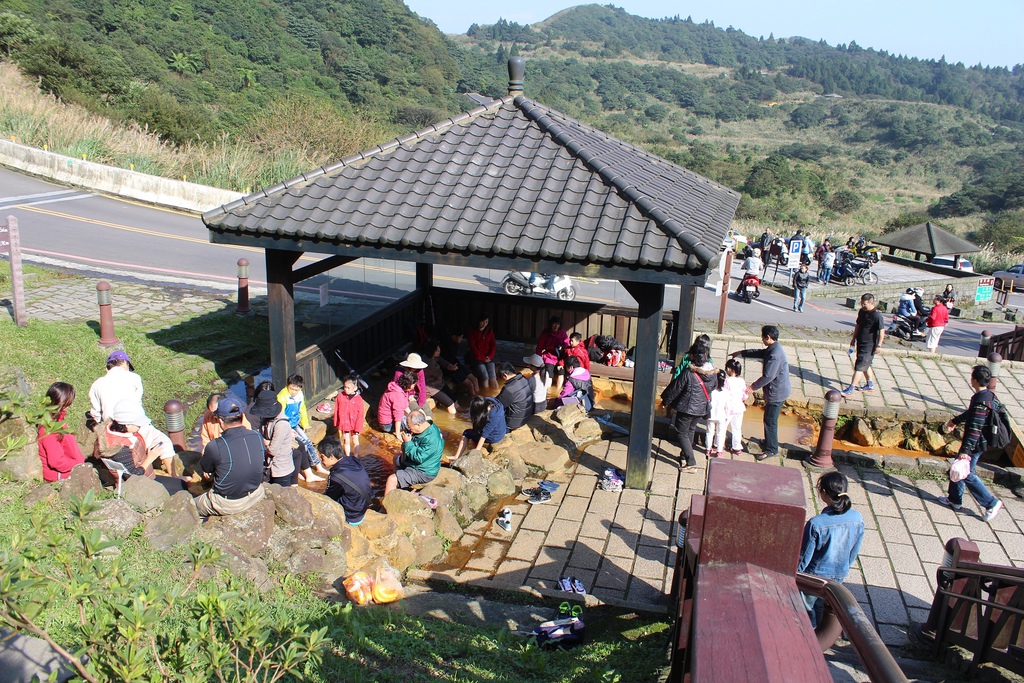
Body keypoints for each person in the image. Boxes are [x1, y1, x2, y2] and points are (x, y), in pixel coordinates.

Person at [88, 350, 176, 473]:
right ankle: (174, 475)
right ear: (124, 362)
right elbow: (137, 405)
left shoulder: (97, 384)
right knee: (164, 442)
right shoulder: (134, 378)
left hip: (111, 428)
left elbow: (96, 414)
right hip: (132, 425)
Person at [938, 365, 1003, 522]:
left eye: (972, 376)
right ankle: (954, 499)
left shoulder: (981, 402)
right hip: (979, 442)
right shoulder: (987, 396)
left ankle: (991, 503)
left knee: (966, 472)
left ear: (975, 380)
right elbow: (971, 413)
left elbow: (975, 428)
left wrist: (965, 450)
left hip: (975, 444)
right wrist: (956, 420)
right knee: (958, 468)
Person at [798, 471, 864, 627]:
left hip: (815, 575)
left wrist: (796, 575)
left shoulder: (816, 523)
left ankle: (810, 632)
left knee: (806, 609)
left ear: (824, 493)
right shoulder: (857, 518)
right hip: (840, 573)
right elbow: (854, 550)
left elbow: (804, 557)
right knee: (825, 604)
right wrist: (845, 567)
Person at [194, 396, 267, 516]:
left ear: (220, 421)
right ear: (242, 416)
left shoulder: (214, 446)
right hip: (256, 493)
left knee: (191, 505)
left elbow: (207, 468)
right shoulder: (257, 436)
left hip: (229, 503)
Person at [730, 325, 791, 462]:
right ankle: (769, 441)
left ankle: (771, 449)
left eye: (763, 337)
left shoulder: (775, 355)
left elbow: (768, 376)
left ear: (768, 337)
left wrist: (753, 387)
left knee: (770, 421)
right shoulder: (774, 348)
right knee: (769, 419)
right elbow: (760, 353)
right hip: (778, 390)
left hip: (777, 393)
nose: (761, 339)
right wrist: (741, 353)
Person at [661, 344, 718, 473]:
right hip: (701, 408)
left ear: (693, 357)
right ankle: (684, 455)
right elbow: (713, 387)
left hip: (687, 408)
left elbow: (676, 388)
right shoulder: (713, 374)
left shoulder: (689, 373)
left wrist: (666, 400)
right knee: (691, 430)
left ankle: (691, 462)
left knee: (681, 433)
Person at [276, 375, 329, 476]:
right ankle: (304, 469)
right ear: (287, 385)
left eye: (296, 390)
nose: (293, 392)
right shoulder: (282, 396)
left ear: (300, 388)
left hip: (295, 424)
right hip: (286, 426)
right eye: (291, 389)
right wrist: (287, 429)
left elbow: (302, 409)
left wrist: (305, 424)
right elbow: (280, 415)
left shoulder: (299, 395)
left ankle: (317, 465)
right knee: (302, 444)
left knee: (308, 442)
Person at [249, 387, 302, 486]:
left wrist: (264, 441)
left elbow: (272, 450)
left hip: (281, 471)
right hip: (269, 467)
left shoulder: (281, 424)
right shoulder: (266, 420)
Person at [384, 410, 444, 495]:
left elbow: (418, 457)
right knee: (396, 458)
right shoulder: (426, 426)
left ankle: (388, 502)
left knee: (391, 480)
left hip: (423, 471)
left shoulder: (431, 439)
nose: (408, 428)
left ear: (418, 425)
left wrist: (408, 443)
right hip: (418, 463)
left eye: (409, 426)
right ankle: (400, 484)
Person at [36, 382, 85, 482]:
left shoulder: (59, 421)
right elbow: (56, 461)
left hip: (70, 469)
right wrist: (76, 464)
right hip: (60, 475)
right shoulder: (49, 428)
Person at [320, 435, 372, 526]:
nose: (321, 460)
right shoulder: (353, 460)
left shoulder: (336, 476)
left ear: (331, 456)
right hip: (363, 508)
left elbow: (329, 498)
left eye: (322, 457)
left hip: (352, 517)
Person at [842, 293, 885, 396]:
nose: (862, 306)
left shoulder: (877, 315)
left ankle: (851, 388)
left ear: (871, 303)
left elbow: (882, 331)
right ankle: (870, 385)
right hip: (860, 342)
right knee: (865, 364)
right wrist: (853, 339)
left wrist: (879, 345)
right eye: (861, 303)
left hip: (869, 345)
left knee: (859, 367)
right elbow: (858, 325)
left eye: (864, 304)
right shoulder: (862, 311)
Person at [706, 359, 747, 458]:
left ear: (729, 369)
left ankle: (717, 445)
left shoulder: (727, 381)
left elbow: (724, 393)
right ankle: (737, 447)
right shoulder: (741, 381)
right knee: (737, 428)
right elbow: (744, 395)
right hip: (739, 407)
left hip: (729, 408)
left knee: (722, 428)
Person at [420, 342, 459, 415]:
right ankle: (454, 418)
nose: (439, 351)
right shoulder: (427, 361)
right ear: (432, 351)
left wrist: (451, 367)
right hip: (432, 388)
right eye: (437, 350)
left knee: (454, 400)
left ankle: (461, 412)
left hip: (440, 383)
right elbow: (438, 374)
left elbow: (443, 362)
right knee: (450, 404)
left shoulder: (435, 357)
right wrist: (439, 369)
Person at [439, 329, 480, 397]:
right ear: (454, 336)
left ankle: (479, 397)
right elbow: (443, 361)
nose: (461, 339)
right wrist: (450, 367)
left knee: (475, 380)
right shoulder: (444, 345)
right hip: (450, 368)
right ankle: (475, 399)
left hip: (456, 363)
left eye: (462, 337)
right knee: (470, 384)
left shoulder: (456, 344)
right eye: (460, 337)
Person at [333, 375, 366, 456]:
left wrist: (358, 428)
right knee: (346, 440)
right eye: (345, 387)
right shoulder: (340, 396)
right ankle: (347, 456)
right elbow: (336, 410)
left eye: (348, 388)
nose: (346, 389)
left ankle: (356, 457)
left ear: (355, 388)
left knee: (355, 441)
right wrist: (336, 422)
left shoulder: (359, 399)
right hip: (345, 423)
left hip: (355, 424)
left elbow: (360, 415)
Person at [496, 361, 533, 430]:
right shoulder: (523, 379)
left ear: (505, 375)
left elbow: (497, 403)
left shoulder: (509, 389)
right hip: (526, 418)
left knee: (493, 409)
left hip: (513, 423)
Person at [536, 316, 569, 391]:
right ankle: (548, 391)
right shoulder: (546, 333)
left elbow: (567, 344)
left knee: (561, 372)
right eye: (554, 324)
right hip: (549, 357)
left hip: (560, 357)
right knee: (549, 373)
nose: (556, 326)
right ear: (551, 324)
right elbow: (540, 346)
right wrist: (538, 358)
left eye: (558, 324)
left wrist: (563, 347)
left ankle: (558, 390)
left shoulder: (563, 333)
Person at [467, 315, 498, 390]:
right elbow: (473, 348)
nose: (484, 324)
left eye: (486, 322)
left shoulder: (489, 331)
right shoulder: (472, 332)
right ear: (478, 321)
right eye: (483, 322)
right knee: (485, 377)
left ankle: (497, 393)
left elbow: (493, 344)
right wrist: (483, 358)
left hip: (489, 357)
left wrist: (490, 356)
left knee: (492, 376)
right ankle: (487, 394)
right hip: (477, 357)